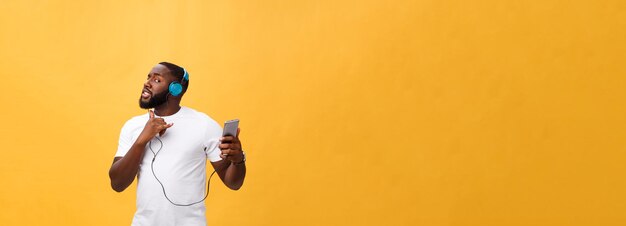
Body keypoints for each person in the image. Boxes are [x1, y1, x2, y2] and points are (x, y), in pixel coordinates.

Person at [108, 62, 246, 226]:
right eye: (148, 77)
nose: (147, 82)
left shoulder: (204, 125)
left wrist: (237, 160)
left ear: (175, 89)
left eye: (157, 80)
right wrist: (141, 141)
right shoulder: (133, 126)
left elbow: (233, 183)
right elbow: (117, 184)